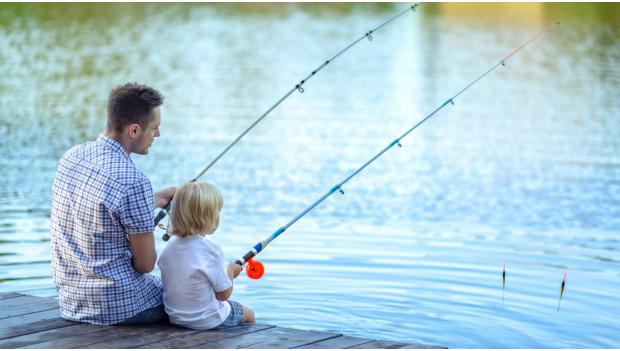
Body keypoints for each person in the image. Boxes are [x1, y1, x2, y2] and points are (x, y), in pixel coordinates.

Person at [50, 83, 176, 325]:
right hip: (117, 306)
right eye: (155, 128)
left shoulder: (72, 156)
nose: (157, 135)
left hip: (71, 301)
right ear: (135, 130)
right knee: (200, 298)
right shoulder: (134, 181)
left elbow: (97, 208)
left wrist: (153, 199)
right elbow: (145, 264)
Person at [157, 181, 255, 330]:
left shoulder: (170, 246)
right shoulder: (212, 250)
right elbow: (223, 295)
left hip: (176, 317)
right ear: (209, 218)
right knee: (249, 314)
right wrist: (231, 271)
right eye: (217, 212)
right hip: (208, 320)